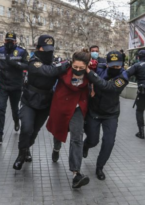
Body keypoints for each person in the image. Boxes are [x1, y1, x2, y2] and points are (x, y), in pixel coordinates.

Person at [13, 35, 68, 170]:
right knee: (26, 128)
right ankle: (21, 155)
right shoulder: (33, 61)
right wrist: (67, 64)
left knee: (35, 131)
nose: (48, 52)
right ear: (38, 48)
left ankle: (26, 149)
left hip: (45, 102)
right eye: (45, 49)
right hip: (29, 100)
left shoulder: (54, 62)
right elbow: (48, 72)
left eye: (50, 49)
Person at [47, 49, 90, 189]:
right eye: (75, 67)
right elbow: (48, 74)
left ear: (87, 66)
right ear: (71, 63)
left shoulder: (90, 74)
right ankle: (56, 148)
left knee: (77, 137)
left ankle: (76, 173)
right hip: (61, 105)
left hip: (77, 107)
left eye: (81, 68)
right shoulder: (63, 70)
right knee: (58, 132)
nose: (78, 70)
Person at [82, 50, 128, 181]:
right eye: (112, 65)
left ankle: (100, 167)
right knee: (93, 140)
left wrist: (91, 75)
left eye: (118, 66)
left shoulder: (123, 76)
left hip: (111, 114)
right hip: (94, 111)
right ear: (107, 64)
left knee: (109, 142)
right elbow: (84, 66)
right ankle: (86, 145)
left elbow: (108, 87)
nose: (115, 68)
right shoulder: (100, 68)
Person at [0, 32, 28, 144]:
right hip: (3, 85)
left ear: (15, 42)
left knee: (14, 108)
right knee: (0, 108)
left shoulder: (22, 51)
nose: (9, 43)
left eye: (11, 41)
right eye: (7, 41)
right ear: (4, 41)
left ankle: (16, 121)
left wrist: (16, 64)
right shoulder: (0, 50)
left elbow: (27, 65)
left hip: (16, 85)